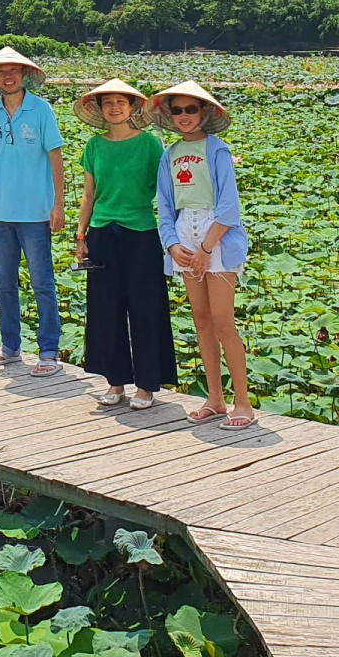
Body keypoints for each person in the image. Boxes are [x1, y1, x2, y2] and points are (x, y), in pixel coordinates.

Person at [152, 80, 253, 430]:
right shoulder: (169, 155)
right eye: (177, 110)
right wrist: (173, 245)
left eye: (190, 109)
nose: (184, 116)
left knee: (224, 321)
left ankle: (243, 403)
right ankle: (215, 399)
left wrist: (207, 248)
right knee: (201, 320)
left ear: (205, 112)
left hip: (218, 239)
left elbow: (229, 207)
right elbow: (165, 206)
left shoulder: (218, 150)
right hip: (185, 234)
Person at [73, 78, 176, 410]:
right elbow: (89, 195)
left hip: (141, 231)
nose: (114, 108)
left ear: (133, 107)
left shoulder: (149, 145)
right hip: (102, 232)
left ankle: (146, 385)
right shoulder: (94, 146)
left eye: (121, 102)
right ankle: (114, 382)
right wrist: (80, 236)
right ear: (100, 110)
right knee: (106, 310)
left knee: (145, 309)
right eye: (108, 103)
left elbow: (164, 191)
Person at [0, 46, 65, 376]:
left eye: (14, 70)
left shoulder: (41, 110)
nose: (8, 76)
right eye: (1, 71)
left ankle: (49, 351)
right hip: (1, 210)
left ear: (24, 75)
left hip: (36, 211)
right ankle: (10, 348)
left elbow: (56, 159)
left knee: (42, 283)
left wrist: (59, 204)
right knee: (4, 283)